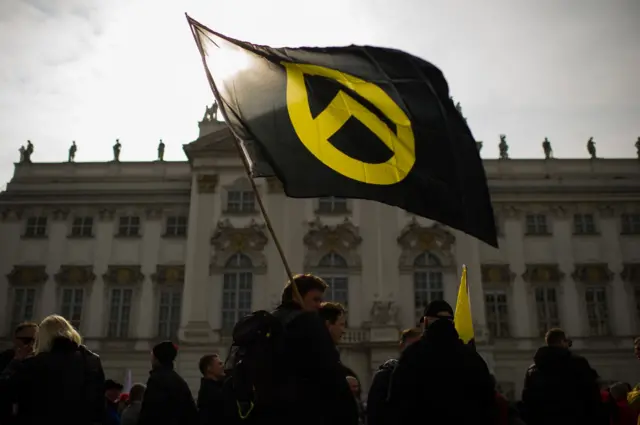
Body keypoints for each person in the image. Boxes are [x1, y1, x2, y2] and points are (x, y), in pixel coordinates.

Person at [264, 274, 358, 425]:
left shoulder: (267, 322)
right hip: (304, 413)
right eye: (316, 299)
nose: (319, 305)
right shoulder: (309, 324)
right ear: (296, 296)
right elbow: (332, 374)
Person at [387, 300, 497, 425]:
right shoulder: (472, 357)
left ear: (426, 322)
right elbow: (488, 404)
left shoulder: (412, 355)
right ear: (452, 322)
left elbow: (396, 404)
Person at [0, 315, 105, 425]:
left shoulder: (34, 363)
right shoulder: (91, 361)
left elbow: (5, 391)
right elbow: (99, 407)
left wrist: (16, 362)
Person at [522, 328, 605, 425]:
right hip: (574, 417)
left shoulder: (533, 369)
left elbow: (527, 399)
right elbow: (591, 394)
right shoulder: (577, 363)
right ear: (562, 342)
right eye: (568, 343)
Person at [366, 328, 421, 425]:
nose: (415, 351)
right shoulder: (385, 376)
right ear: (402, 347)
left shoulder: (427, 375)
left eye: (418, 347)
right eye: (411, 347)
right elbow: (374, 413)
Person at [138, 341, 198, 425]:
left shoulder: (156, 380)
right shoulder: (179, 380)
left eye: (153, 356)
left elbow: (149, 411)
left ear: (157, 359)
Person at [0, 322, 38, 425]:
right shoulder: (5, 357)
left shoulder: (39, 361)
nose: (31, 345)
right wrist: (16, 361)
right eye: (27, 340)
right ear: (16, 340)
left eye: (35, 341)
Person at [197, 354, 226, 425]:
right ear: (209, 368)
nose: (223, 366)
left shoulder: (215, 387)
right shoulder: (210, 392)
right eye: (220, 364)